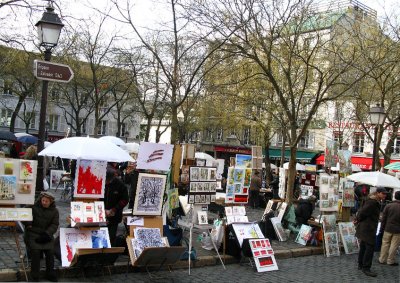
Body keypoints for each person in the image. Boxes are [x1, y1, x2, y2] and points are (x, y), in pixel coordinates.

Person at [23, 191, 59, 282]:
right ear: (41, 199)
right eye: (43, 200)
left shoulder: (55, 211)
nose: (44, 202)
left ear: (50, 202)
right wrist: (28, 224)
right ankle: (35, 275)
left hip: (46, 234)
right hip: (33, 233)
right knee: (36, 251)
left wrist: (47, 233)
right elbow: (24, 213)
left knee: (50, 251)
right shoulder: (33, 207)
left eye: (46, 201)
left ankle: (50, 273)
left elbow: (54, 224)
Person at [354, 187, 388, 277]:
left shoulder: (372, 200)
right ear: (378, 193)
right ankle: (366, 268)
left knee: (364, 246)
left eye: (385, 194)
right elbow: (363, 212)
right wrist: (358, 219)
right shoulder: (373, 202)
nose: (385, 195)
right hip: (368, 228)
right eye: (383, 193)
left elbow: (363, 211)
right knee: (369, 248)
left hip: (366, 227)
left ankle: (360, 265)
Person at [103, 167, 128, 246]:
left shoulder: (120, 185)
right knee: (99, 236)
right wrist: (101, 210)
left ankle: (109, 255)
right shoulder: (100, 181)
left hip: (114, 216)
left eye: (108, 181)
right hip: (101, 214)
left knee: (111, 237)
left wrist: (114, 209)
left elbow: (125, 200)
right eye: (105, 181)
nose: (106, 183)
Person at [378, 191, 400, 266]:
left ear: (395, 196)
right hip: (398, 230)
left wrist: (382, 228)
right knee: (394, 245)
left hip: (388, 228)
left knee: (385, 244)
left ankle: (382, 259)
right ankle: (390, 261)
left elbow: (383, 218)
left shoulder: (389, 205)